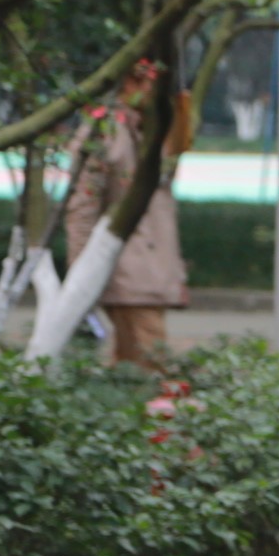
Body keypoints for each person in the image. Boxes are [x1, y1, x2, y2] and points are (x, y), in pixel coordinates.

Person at [61, 61, 191, 370]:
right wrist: (81, 273)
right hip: (128, 272)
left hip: (149, 270)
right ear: (128, 84)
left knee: (131, 362)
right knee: (148, 364)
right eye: (146, 81)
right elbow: (83, 208)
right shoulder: (105, 131)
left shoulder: (154, 128)